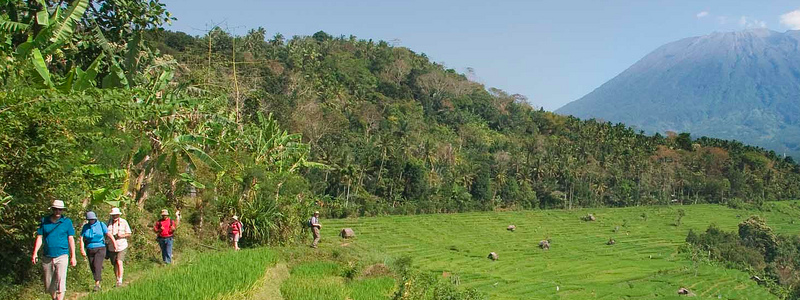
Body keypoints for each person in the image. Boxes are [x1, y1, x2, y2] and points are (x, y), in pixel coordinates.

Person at [31, 200, 77, 300]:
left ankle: (60, 298)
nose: (58, 211)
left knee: (61, 280)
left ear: (62, 210)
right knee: (49, 283)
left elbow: (71, 239)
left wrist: (73, 256)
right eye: (55, 209)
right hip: (47, 256)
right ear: (52, 209)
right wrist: (35, 253)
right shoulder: (45, 221)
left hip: (62, 254)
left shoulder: (67, 222)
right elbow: (39, 237)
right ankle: (54, 298)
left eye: (60, 209)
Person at [79, 211, 116, 291]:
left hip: (100, 247)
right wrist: (82, 249)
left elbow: (108, 234)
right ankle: (97, 278)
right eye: (89, 220)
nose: (91, 221)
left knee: (97, 265)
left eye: (92, 219)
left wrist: (114, 243)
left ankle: (97, 284)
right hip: (89, 248)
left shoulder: (101, 224)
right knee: (92, 266)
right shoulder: (86, 227)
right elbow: (82, 238)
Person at [107, 207, 132, 287]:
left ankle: (120, 280)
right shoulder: (108, 223)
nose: (114, 216)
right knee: (114, 264)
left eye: (116, 215)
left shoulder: (124, 222)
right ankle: (117, 279)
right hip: (111, 246)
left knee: (119, 261)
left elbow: (129, 233)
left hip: (122, 245)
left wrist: (122, 235)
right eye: (113, 215)